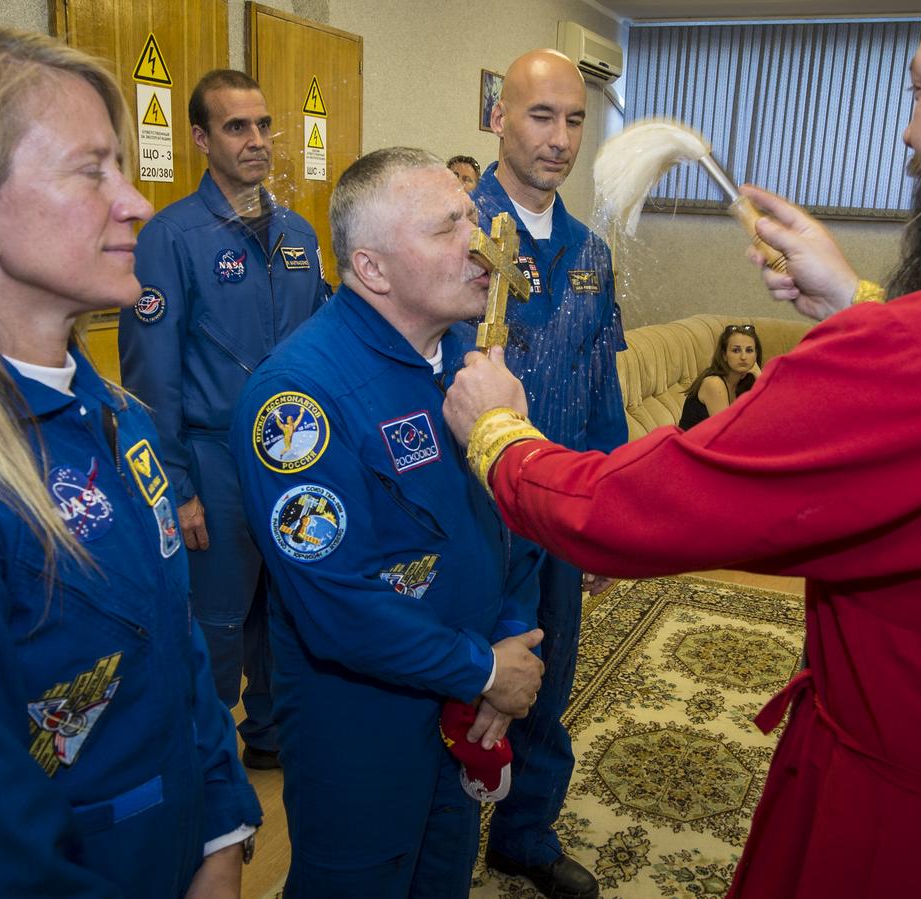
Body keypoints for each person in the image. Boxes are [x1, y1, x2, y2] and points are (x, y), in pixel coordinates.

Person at [444, 0, 921, 896]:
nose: (907, 133)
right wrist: (859, 305)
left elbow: (641, 505)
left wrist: (496, 432)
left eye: (918, 88)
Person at [0, 26, 263, 898]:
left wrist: (223, 826)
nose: (136, 203)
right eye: (90, 170)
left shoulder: (110, 411)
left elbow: (176, 648)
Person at [229, 147, 545, 899]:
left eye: (473, 216)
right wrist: (489, 671)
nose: (480, 242)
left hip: (467, 704)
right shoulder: (298, 397)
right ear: (372, 270)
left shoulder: (474, 363)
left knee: (442, 880)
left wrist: (510, 641)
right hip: (361, 726)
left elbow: (511, 521)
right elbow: (338, 606)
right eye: (448, 229)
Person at [119, 69, 330, 770]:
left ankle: (271, 736)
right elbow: (152, 378)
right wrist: (176, 487)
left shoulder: (300, 232)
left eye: (265, 125)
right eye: (238, 127)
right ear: (201, 138)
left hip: (296, 455)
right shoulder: (171, 237)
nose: (258, 140)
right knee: (216, 622)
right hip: (212, 461)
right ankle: (200, 767)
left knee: (288, 605)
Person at [467, 47, 627, 899]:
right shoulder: (453, 232)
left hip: (559, 507)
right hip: (468, 510)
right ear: (498, 117)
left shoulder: (592, 254)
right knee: (461, 682)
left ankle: (524, 832)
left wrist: (607, 517)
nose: (560, 137)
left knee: (550, 675)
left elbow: (604, 394)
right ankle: (434, 839)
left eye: (574, 119)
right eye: (541, 116)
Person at [678, 323, 762, 430]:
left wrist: (760, 378)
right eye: (736, 350)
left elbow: (770, 419)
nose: (743, 357)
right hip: (689, 445)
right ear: (724, 355)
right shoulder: (714, 383)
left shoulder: (743, 384)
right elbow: (727, 434)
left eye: (749, 350)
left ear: (756, 355)